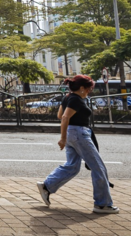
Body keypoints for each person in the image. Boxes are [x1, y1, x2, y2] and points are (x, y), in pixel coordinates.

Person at [36, 74, 118, 214]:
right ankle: (102, 204)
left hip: (72, 133)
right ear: (81, 88)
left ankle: (47, 186)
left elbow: (60, 115)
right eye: (88, 88)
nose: (89, 91)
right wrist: (62, 139)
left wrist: (65, 136)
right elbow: (64, 117)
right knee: (98, 167)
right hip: (79, 134)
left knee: (72, 166)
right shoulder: (76, 100)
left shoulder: (68, 97)